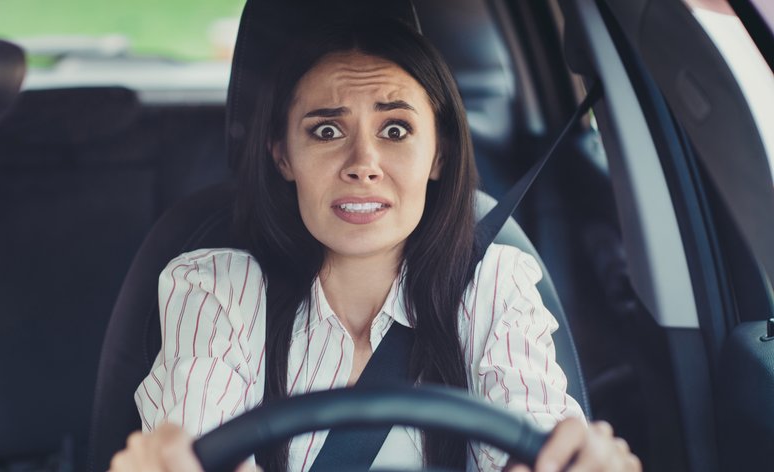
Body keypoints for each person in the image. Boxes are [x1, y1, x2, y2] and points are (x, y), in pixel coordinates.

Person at [109, 19, 641, 472]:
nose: (363, 163)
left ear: (438, 156)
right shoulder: (218, 290)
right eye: (325, 132)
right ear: (282, 156)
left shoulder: (493, 286)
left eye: (394, 130)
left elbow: (534, 432)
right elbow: (194, 453)